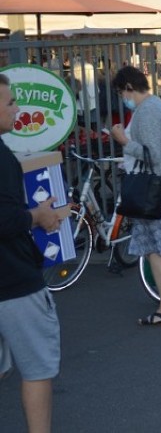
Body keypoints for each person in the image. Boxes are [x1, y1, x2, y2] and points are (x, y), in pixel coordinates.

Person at [0, 73, 64, 433]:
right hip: (13, 280)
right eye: (10, 103)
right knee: (37, 369)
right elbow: (5, 218)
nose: (17, 108)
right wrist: (37, 216)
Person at [109, 66, 161, 326]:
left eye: (121, 91)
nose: (123, 96)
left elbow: (151, 154)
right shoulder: (157, 105)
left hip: (155, 192)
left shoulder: (147, 112)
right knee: (156, 247)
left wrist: (123, 140)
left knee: (154, 249)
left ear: (129, 88)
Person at [71, 51, 99, 131]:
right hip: (90, 94)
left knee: (83, 124)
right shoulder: (89, 66)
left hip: (81, 93)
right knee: (93, 124)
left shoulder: (76, 66)